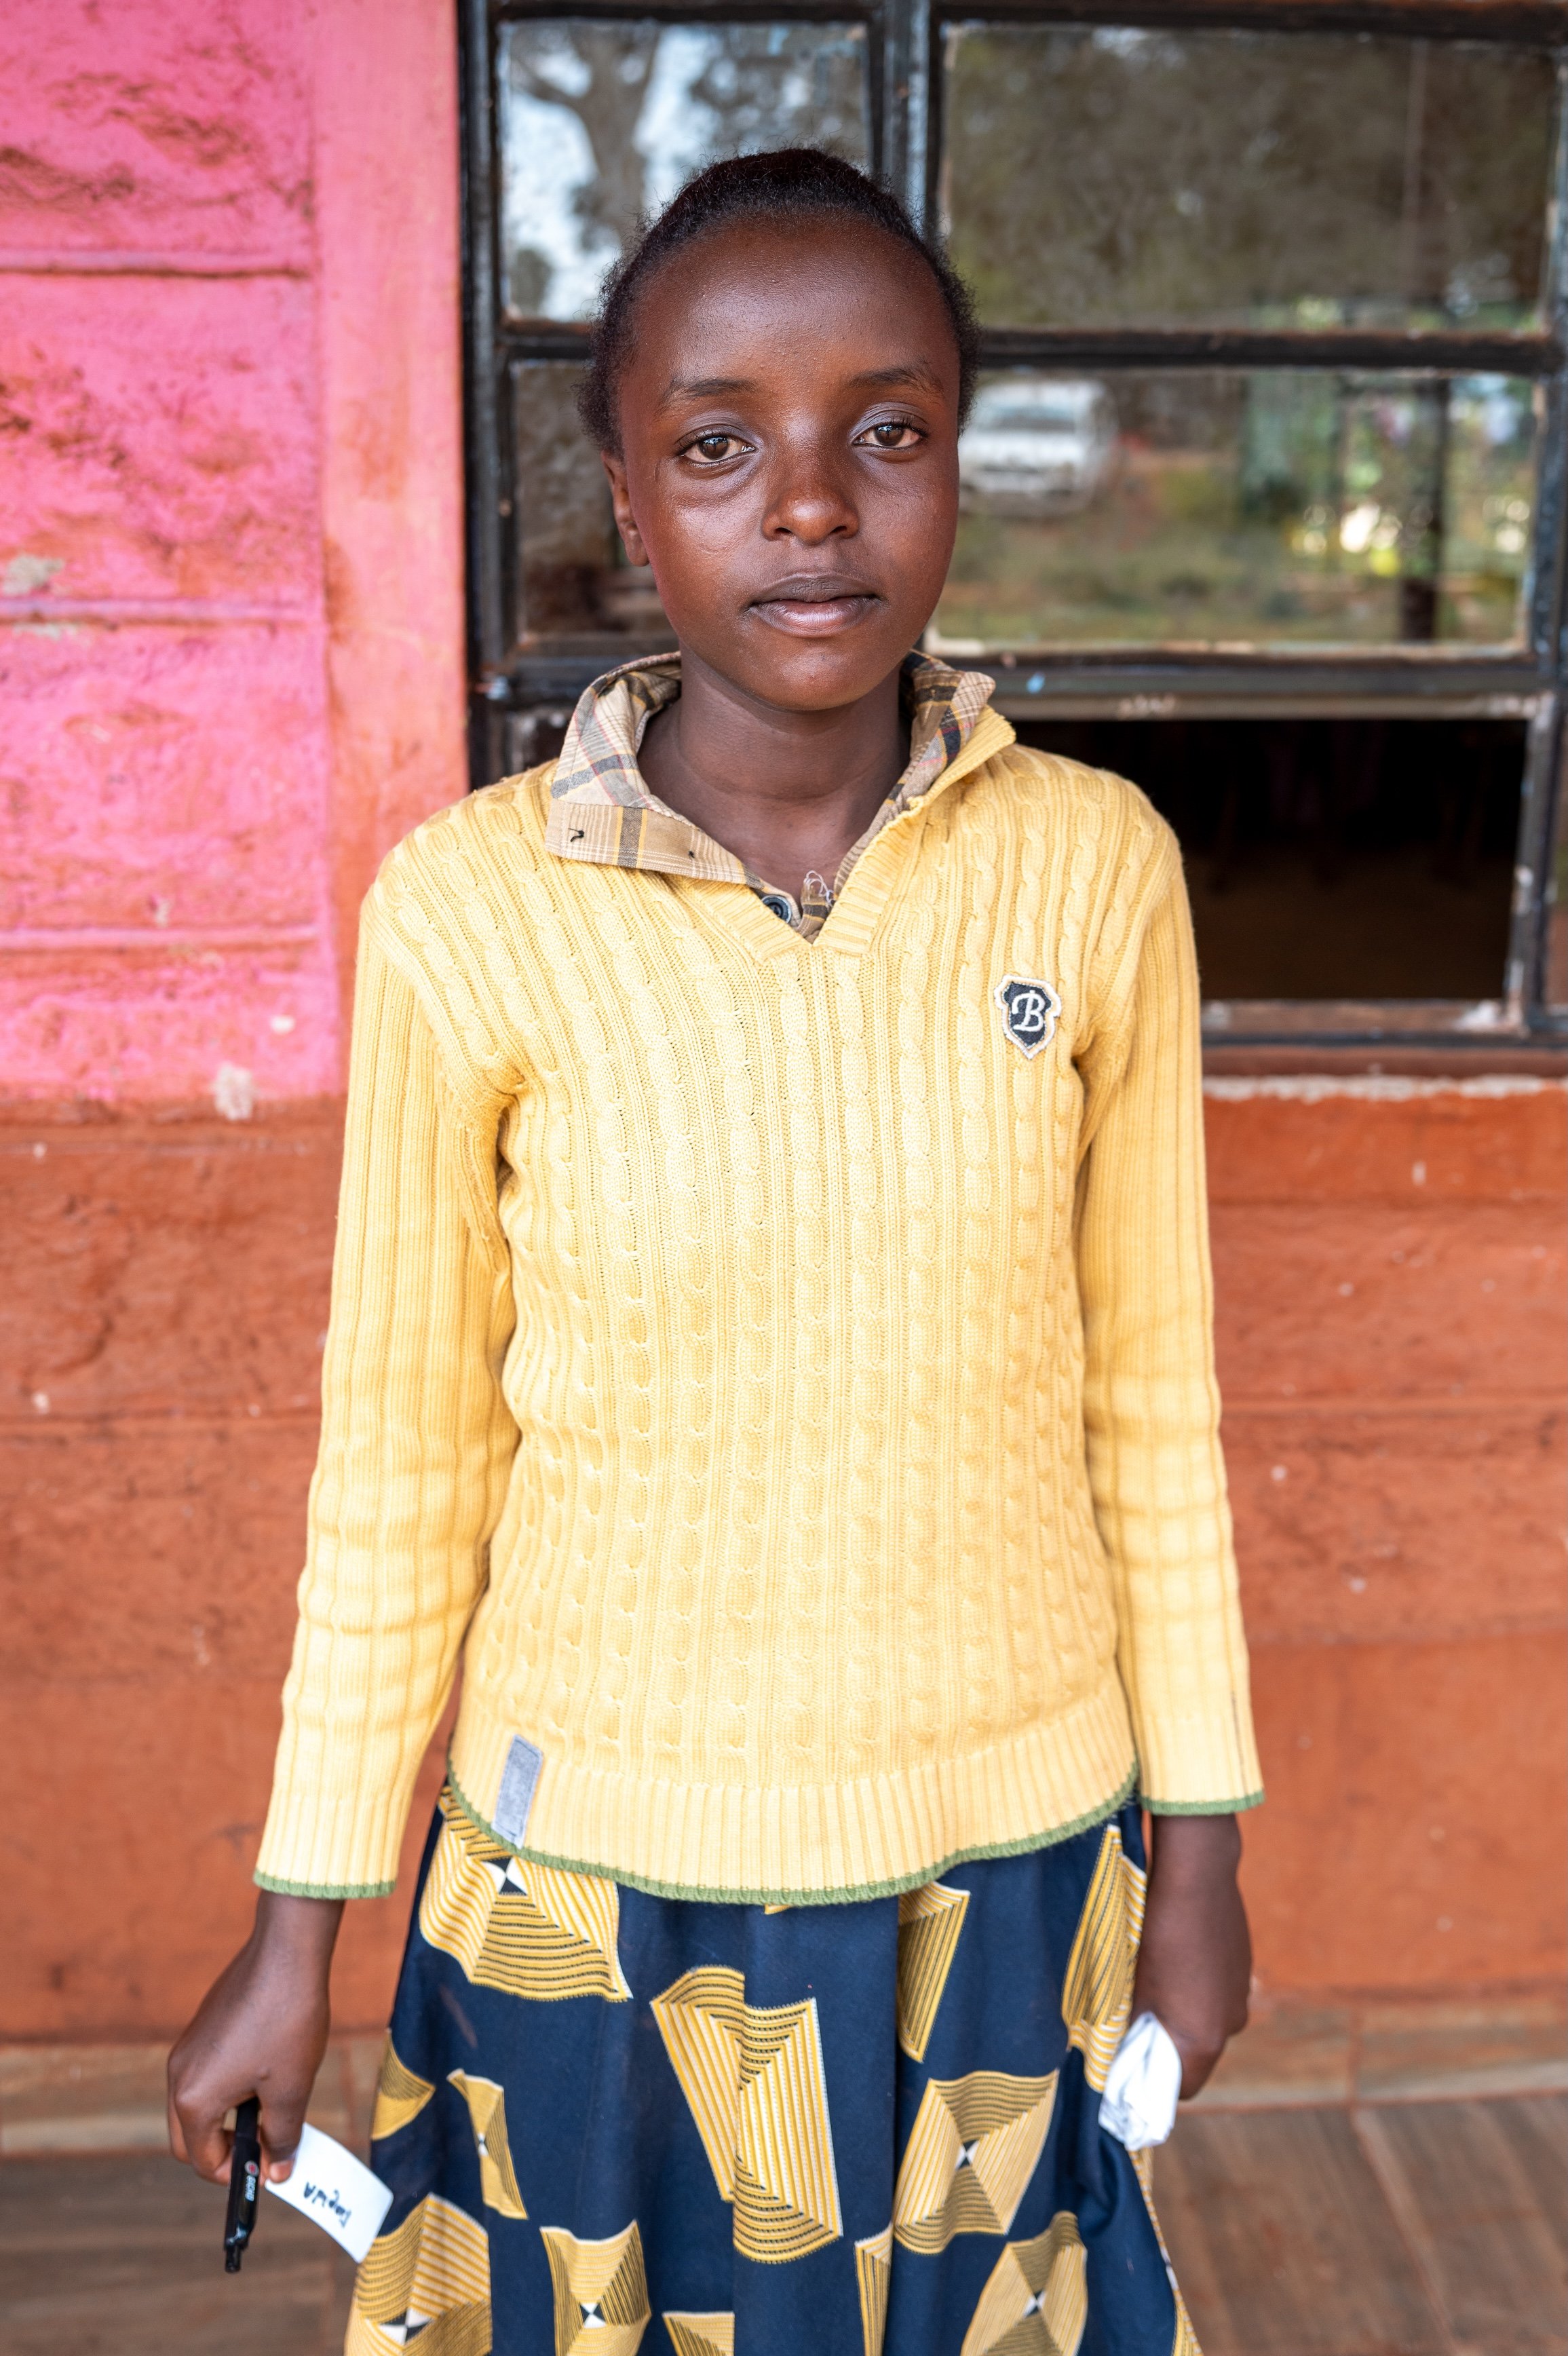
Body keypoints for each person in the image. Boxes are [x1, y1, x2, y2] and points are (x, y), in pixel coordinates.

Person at [168, 148, 1260, 2356]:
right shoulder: (469, 917)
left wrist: (1206, 1857)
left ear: (960, 458)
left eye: (887, 429)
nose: (813, 509)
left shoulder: (1094, 874)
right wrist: (303, 1924)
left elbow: (1154, 1407)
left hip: (1019, 1870)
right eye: (719, 444)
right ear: (628, 491)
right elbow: (400, 1467)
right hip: (597, 1894)